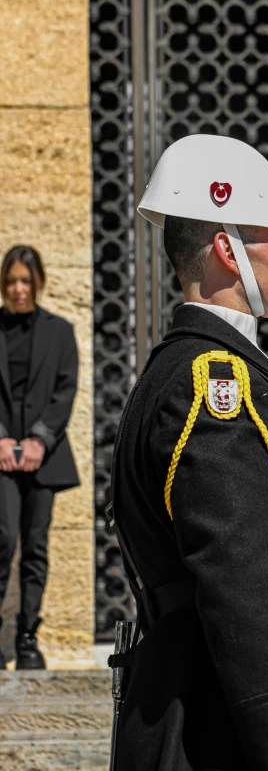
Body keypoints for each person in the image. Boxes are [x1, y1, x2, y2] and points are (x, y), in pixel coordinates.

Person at [111, 135, 268, 770]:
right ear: (229, 249)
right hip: (227, 729)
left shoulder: (188, 372)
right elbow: (242, 592)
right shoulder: (213, 386)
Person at [0, 245, 80, 670]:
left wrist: (37, 439)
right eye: (11, 280)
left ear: (38, 283)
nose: (17, 289)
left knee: (35, 547)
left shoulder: (60, 331)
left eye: (25, 281)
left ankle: (27, 638)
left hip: (42, 457)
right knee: (3, 538)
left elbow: (64, 392)